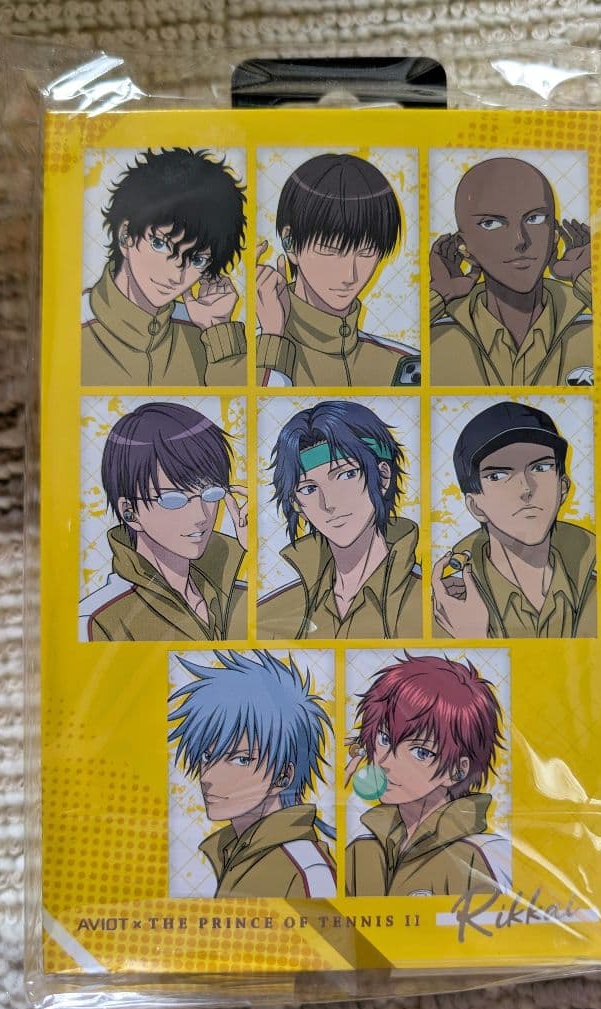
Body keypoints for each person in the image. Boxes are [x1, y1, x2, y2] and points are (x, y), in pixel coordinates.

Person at [168, 650, 336, 898]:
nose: (207, 778)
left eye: (241, 759)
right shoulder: (229, 853)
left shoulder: (307, 870)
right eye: (206, 756)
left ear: (283, 776)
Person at [78, 402, 248, 641]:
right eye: (174, 499)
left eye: (211, 494)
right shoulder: (98, 620)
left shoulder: (239, 597)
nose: (201, 516)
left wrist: (258, 548)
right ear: (129, 511)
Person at [82, 148, 247, 386]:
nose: (176, 276)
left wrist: (218, 330)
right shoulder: (75, 325)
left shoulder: (201, 330)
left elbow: (244, 405)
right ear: (125, 236)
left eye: (197, 260)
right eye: (160, 244)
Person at [432, 400, 596, 639]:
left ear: (563, 487)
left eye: (540, 468)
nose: (525, 488)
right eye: (498, 475)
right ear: (475, 505)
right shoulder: (450, 604)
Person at [258, 400, 421, 640]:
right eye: (308, 488)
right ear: (297, 504)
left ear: (383, 477)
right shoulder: (271, 614)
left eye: (346, 475)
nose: (329, 503)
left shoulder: (433, 602)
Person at [346, 654, 505, 897]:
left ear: (457, 770)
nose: (386, 763)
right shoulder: (361, 852)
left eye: (420, 752)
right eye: (384, 739)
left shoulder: (474, 857)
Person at [256, 153, 420, 387]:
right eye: (330, 250)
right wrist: (272, 337)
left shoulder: (402, 364)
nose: (349, 275)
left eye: (366, 252)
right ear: (290, 243)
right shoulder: (249, 357)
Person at [430, 157, 593, 387]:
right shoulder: (436, 334)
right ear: (463, 247)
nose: (520, 241)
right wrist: (439, 294)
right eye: (491, 224)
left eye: (534, 219)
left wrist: (588, 279)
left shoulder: (590, 323)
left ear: (554, 234)